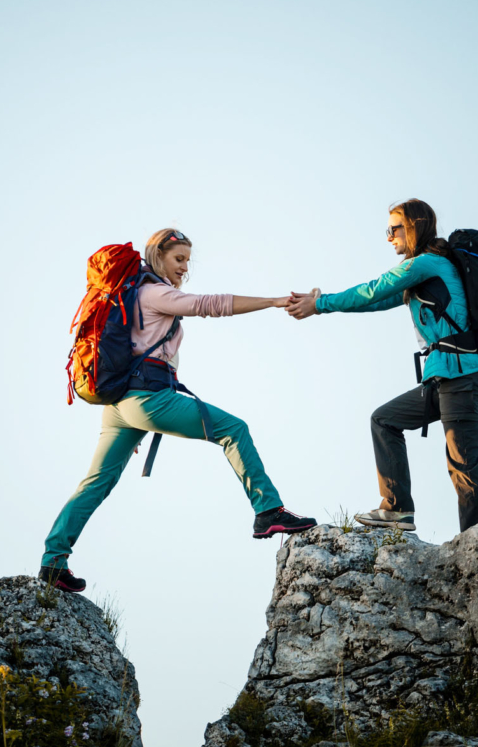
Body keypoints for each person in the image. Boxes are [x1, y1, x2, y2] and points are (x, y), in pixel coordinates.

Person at [40, 228, 315, 592]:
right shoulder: (155, 293)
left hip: (120, 406)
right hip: (149, 400)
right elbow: (211, 305)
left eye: (187, 260)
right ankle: (268, 511)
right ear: (157, 256)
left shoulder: (133, 293)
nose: (184, 268)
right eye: (178, 259)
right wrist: (274, 301)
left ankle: (53, 561)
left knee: (96, 482)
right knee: (234, 429)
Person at [286, 199, 478, 535]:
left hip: (462, 374)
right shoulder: (420, 273)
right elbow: (379, 300)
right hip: (442, 378)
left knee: (463, 462)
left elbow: (373, 289)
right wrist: (324, 302)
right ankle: (398, 510)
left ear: (414, 225)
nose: (388, 237)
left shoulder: (427, 263)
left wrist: (320, 304)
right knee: (384, 420)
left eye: (393, 228)